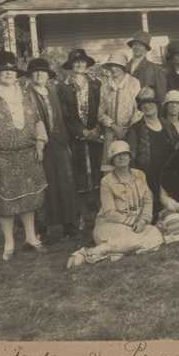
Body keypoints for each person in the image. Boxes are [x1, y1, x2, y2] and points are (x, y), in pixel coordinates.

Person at [0, 50, 47, 260]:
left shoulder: (24, 94)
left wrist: (40, 143)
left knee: (28, 199)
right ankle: (9, 242)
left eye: (12, 70)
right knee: (5, 203)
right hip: (1, 158)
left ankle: (31, 237)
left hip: (27, 155)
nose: (9, 74)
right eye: (4, 71)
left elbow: (38, 120)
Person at [66, 140, 164, 269]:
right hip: (111, 225)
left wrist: (143, 221)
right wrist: (133, 222)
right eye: (118, 155)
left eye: (125, 154)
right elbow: (110, 213)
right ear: (112, 159)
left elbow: (147, 201)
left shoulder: (140, 175)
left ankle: (112, 250)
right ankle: (90, 252)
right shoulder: (106, 181)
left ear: (130, 156)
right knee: (134, 238)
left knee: (156, 234)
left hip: (136, 225)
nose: (122, 158)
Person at [27, 58, 79, 240]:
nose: (39, 75)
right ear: (30, 75)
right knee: (43, 186)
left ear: (48, 76)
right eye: (35, 72)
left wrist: (66, 141)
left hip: (59, 144)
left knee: (65, 183)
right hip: (39, 145)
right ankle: (42, 229)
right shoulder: (26, 95)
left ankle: (69, 225)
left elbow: (63, 117)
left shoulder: (53, 91)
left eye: (42, 72)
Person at [59, 48, 103, 226]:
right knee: (79, 174)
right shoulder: (63, 87)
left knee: (97, 171)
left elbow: (102, 107)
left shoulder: (96, 84)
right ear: (71, 65)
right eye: (76, 62)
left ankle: (100, 212)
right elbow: (64, 114)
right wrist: (80, 131)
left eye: (82, 62)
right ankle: (82, 215)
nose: (79, 65)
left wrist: (96, 130)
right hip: (75, 138)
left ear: (87, 65)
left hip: (96, 135)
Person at [126, 86, 171, 221]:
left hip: (168, 176)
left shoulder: (167, 125)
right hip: (147, 180)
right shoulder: (135, 129)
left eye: (151, 102)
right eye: (144, 104)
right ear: (140, 108)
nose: (148, 106)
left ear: (157, 105)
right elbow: (131, 160)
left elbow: (178, 148)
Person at [98, 52, 142, 171]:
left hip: (130, 131)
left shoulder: (134, 83)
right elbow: (100, 112)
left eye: (117, 65)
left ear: (123, 66)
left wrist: (128, 128)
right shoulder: (105, 85)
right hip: (111, 132)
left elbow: (139, 109)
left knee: (129, 165)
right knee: (110, 167)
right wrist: (113, 126)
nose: (113, 68)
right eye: (111, 65)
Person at [125, 32, 168, 109]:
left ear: (146, 48)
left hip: (145, 110)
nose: (137, 47)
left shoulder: (155, 69)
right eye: (135, 44)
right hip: (126, 110)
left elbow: (161, 95)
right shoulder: (124, 67)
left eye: (141, 45)